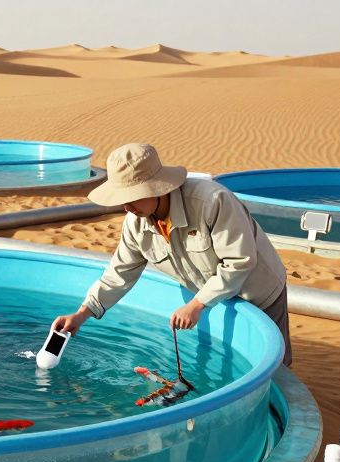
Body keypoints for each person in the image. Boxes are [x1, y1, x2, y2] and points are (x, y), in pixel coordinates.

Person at [51, 143, 292, 365]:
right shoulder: (135, 222)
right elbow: (119, 273)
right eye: (121, 199)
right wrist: (81, 314)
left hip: (258, 293)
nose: (126, 207)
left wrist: (197, 304)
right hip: (213, 297)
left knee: (273, 367)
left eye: (131, 197)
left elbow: (238, 261)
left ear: (157, 188)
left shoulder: (212, 201)